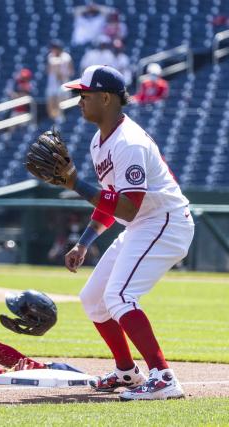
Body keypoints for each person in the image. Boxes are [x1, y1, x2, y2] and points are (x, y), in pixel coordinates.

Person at [40, 65, 193, 400]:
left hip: (165, 223)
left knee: (120, 296)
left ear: (106, 98)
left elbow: (127, 208)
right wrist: (84, 242)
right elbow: (113, 203)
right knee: (93, 299)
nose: (79, 100)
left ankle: (163, 376)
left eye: (85, 94)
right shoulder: (99, 141)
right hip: (143, 224)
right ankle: (126, 371)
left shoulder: (129, 143)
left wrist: (76, 184)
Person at [45, 40, 74, 124]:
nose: (52, 50)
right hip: (52, 84)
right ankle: (54, 119)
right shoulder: (50, 56)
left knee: (60, 101)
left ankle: (60, 119)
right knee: (50, 103)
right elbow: (49, 70)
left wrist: (63, 74)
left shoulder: (66, 57)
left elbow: (71, 71)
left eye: (53, 48)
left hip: (63, 83)